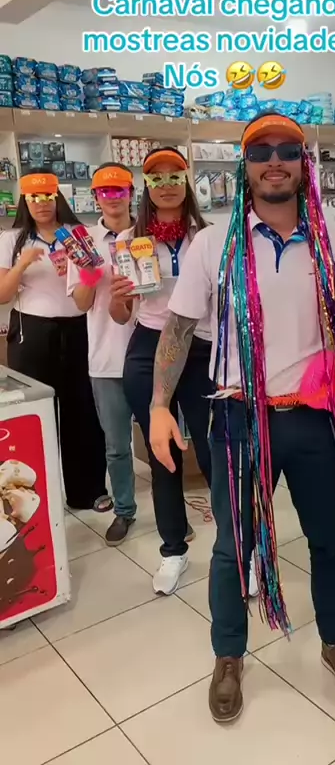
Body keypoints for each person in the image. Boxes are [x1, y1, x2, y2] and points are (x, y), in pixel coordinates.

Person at [148, 113, 335, 723]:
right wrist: (158, 405)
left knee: (328, 541)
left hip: (317, 418)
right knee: (233, 548)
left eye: (288, 149)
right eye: (261, 152)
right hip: (239, 418)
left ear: (304, 162)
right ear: (246, 165)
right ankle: (228, 655)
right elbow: (178, 329)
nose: (275, 161)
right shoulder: (214, 244)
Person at [110, 147, 213, 595]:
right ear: (146, 186)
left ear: (186, 182)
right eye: (157, 177)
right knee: (161, 453)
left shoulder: (206, 237)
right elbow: (120, 316)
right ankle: (173, 550)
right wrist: (118, 296)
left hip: (201, 347)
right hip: (148, 345)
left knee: (214, 449)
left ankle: (239, 546)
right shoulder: (128, 240)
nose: (167, 185)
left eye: (175, 176)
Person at [0, 169, 109, 511]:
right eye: (34, 198)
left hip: (78, 329)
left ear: (57, 198)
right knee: (37, 413)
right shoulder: (12, 239)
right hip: (31, 333)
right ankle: (38, 498)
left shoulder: (78, 234)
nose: (41, 204)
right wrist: (22, 264)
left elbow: (96, 277)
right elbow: (3, 294)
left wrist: (83, 270)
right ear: (25, 201)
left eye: (47, 196)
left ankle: (87, 491)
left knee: (83, 412)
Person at [67, 163, 137, 545]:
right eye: (105, 191)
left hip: (150, 354)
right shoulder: (84, 241)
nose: (112, 197)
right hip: (106, 358)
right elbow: (81, 303)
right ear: (95, 197)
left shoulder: (148, 234)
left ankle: (172, 515)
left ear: (131, 193)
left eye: (119, 190)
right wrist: (91, 274)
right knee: (116, 447)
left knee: (162, 440)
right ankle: (124, 510)